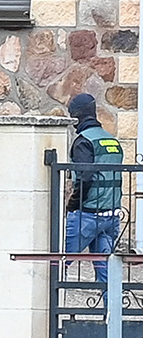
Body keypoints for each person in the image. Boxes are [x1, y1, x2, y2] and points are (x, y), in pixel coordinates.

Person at [65, 92, 124, 282]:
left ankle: (51, 300)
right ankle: (112, 302)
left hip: (87, 215)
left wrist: (72, 205)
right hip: (112, 215)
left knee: (57, 261)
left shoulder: (84, 141)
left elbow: (85, 178)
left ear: (77, 116)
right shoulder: (112, 141)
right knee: (107, 272)